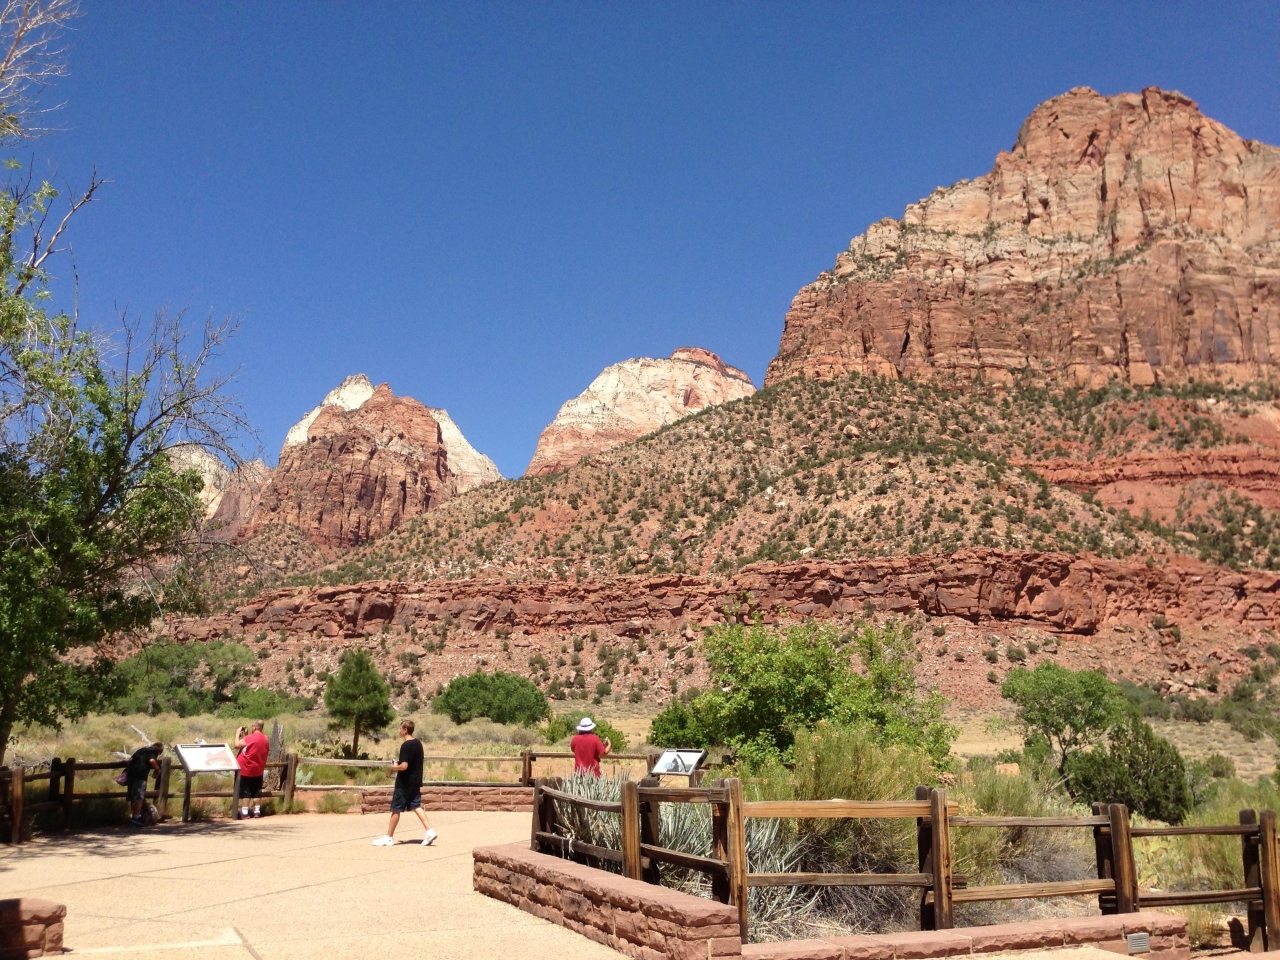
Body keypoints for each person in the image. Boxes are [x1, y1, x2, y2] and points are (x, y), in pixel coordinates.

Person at [372, 720, 436, 847]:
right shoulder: (418, 743)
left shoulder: (405, 746)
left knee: (396, 808)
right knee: (416, 805)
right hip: (415, 781)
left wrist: (394, 767)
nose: (399, 730)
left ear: (405, 730)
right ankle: (429, 831)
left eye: (400, 728)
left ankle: (389, 837)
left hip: (404, 783)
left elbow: (404, 766)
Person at [234, 720, 270, 819]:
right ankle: (257, 811)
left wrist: (237, 733)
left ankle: (245, 812)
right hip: (258, 769)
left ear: (254, 727)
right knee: (257, 791)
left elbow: (236, 745)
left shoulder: (249, 738)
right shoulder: (265, 738)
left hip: (246, 769)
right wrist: (246, 735)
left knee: (246, 791)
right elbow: (252, 746)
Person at [125, 742, 163, 827]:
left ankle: (133, 815)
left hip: (131, 774)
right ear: (159, 751)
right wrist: (158, 769)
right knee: (139, 797)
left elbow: (130, 761)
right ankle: (136, 817)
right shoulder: (153, 752)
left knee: (133, 796)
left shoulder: (141, 750)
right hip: (140, 775)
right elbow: (151, 760)